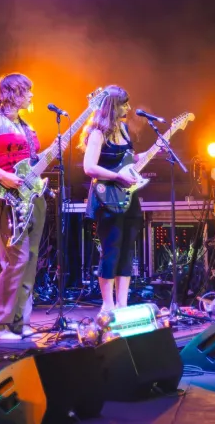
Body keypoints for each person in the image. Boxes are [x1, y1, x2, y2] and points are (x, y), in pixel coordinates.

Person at [0, 74, 46, 340]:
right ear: (13, 92)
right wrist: (2, 176)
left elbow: (29, 162)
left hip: (32, 197)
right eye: (28, 91)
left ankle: (20, 322)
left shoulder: (26, 125)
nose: (31, 96)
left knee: (31, 260)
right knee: (16, 259)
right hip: (5, 197)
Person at [79, 84, 144, 312]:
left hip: (128, 196)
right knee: (111, 249)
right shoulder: (98, 133)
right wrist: (117, 175)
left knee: (127, 250)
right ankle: (107, 305)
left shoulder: (124, 129)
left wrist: (151, 153)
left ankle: (122, 304)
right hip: (107, 197)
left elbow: (128, 159)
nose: (129, 107)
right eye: (124, 103)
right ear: (113, 106)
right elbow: (89, 167)